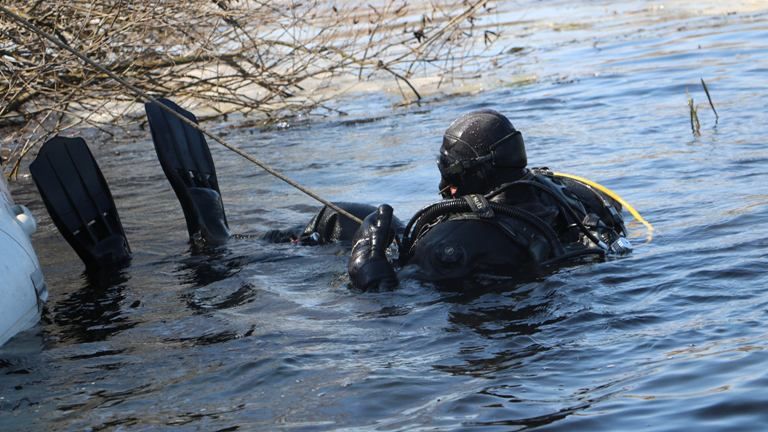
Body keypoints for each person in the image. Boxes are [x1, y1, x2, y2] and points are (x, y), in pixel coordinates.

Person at [32, 100, 630, 289]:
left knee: (318, 246)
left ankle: (203, 251)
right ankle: (241, 232)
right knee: (340, 212)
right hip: (510, 254)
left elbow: (377, 295)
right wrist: (370, 226)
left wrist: (368, 251)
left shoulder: (457, 238)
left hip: (438, 274)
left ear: (462, 178)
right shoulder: (566, 195)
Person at [346, 109, 631, 290]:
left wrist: (366, 258)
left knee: (343, 221)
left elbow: (390, 302)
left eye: (449, 173)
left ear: (472, 174)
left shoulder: (452, 240)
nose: (445, 187)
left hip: (491, 322)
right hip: (551, 301)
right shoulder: (570, 197)